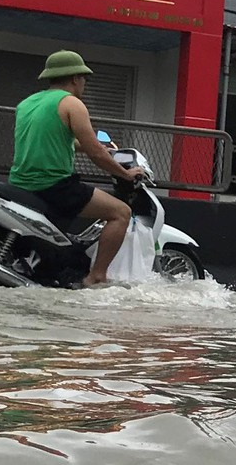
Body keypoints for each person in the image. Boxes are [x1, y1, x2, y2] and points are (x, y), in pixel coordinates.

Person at [9, 50, 140, 288]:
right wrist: (125, 173)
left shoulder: (27, 103)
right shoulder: (72, 104)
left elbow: (58, 139)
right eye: (84, 78)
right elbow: (95, 154)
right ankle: (97, 277)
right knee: (121, 212)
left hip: (20, 184)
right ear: (74, 78)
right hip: (54, 185)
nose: (85, 84)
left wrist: (103, 150)